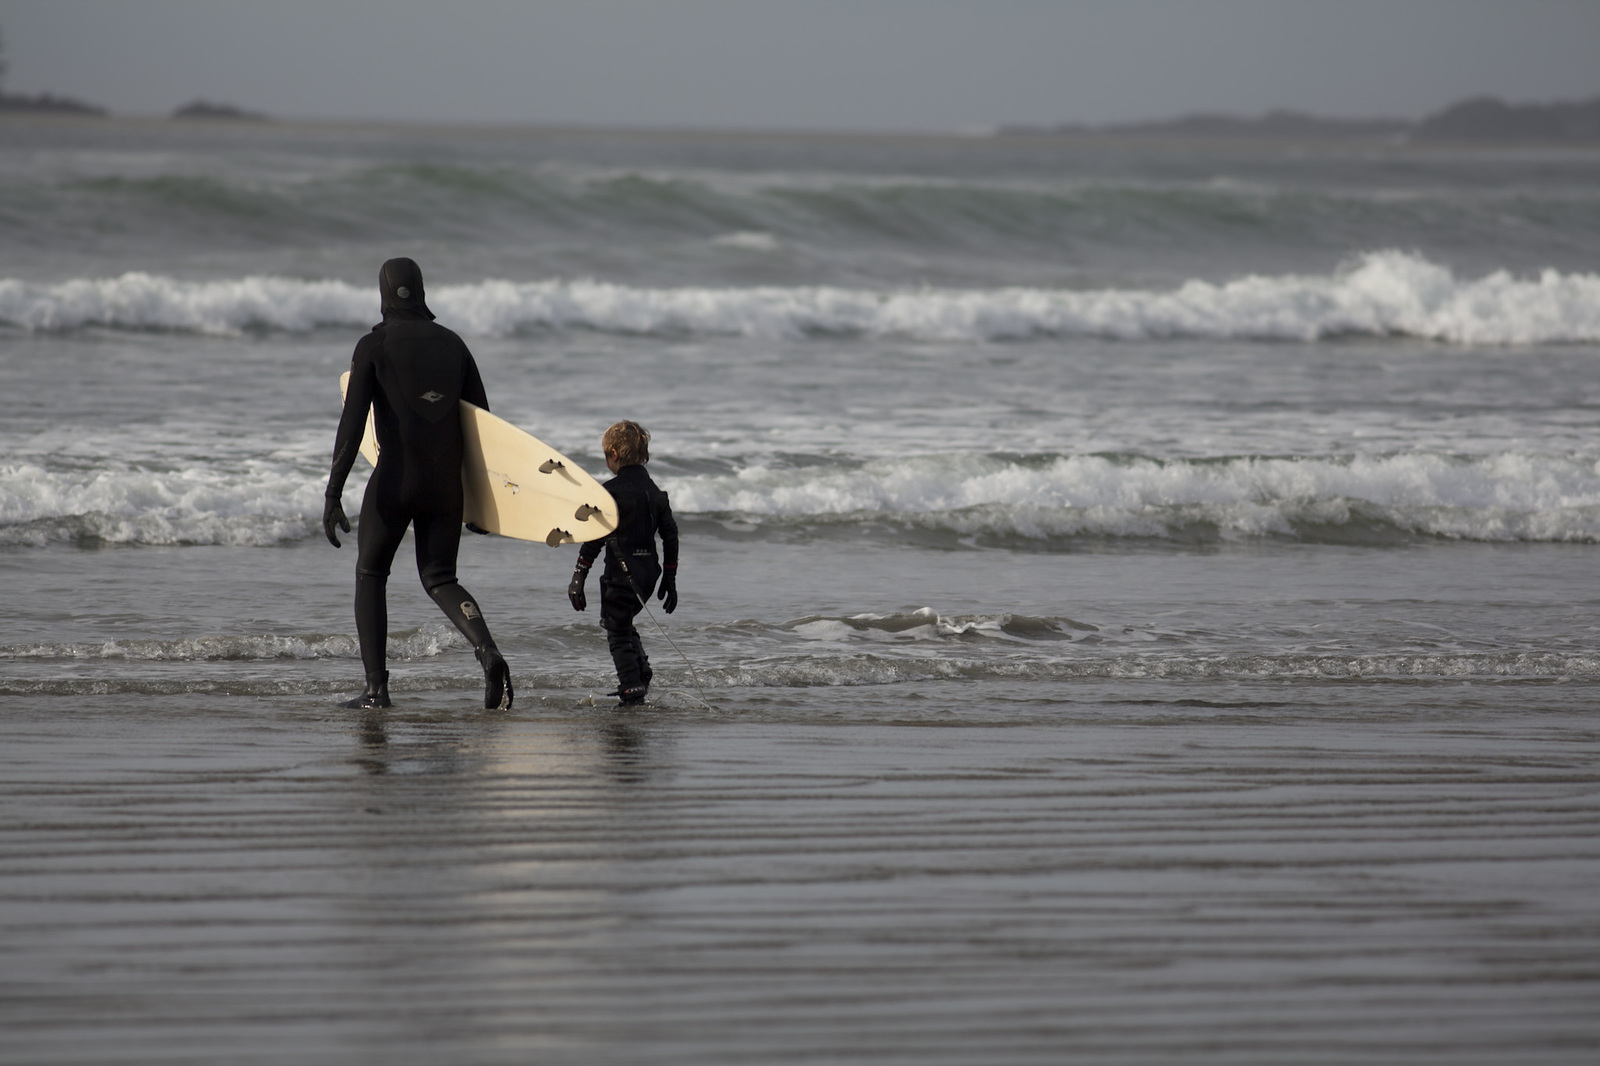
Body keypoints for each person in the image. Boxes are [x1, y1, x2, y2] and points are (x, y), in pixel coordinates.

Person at [323, 257, 513, 710]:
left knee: (371, 574)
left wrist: (333, 493)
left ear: (384, 293)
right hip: (446, 486)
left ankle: (377, 690)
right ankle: (488, 652)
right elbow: (483, 428)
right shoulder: (454, 344)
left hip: (396, 480)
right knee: (441, 577)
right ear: (421, 291)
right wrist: (481, 503)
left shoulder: (375, 345)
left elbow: (352, 425)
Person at [567, 421, 679, 704]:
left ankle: (631, 686)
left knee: (616, 630)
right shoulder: (656, 493)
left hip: (621, 574)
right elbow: (670, 535)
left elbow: (595, 538)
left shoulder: (610, 493)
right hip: (648, 576)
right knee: (624, 621)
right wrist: (670, 578)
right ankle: (641, 671)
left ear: (614, 455)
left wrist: (579, 576)